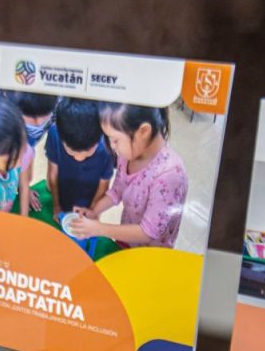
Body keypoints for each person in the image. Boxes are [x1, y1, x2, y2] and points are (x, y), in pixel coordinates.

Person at [69, 103, 186, 249]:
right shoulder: (128, 155)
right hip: (126, 237)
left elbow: (147, 232)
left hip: (150, 254)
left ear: (143, 131)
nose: (112, 146)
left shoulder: (169, 176)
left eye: (115, 139)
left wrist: (98, 228)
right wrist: (94, 211)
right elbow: (117, 191)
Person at [45, 97, 114, 221]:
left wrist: (93, 211)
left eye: (87, 153)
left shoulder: (107, 147)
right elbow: (53, 174)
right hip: (62, 192)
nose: (79, 158)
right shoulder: (55, 134)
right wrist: (56, 206)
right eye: (72, 152)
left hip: (91, 199)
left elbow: (103, 186)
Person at [0, 98, 32, 216]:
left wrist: (24, 218)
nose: (20, 162)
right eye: (11, 160)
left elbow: (24, 186)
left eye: (23, 151)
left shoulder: (21, 148)